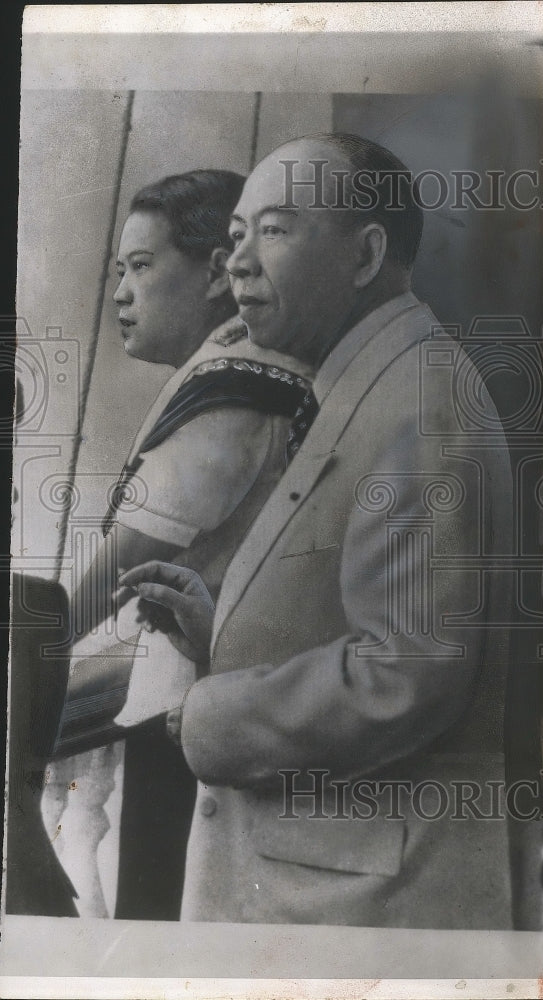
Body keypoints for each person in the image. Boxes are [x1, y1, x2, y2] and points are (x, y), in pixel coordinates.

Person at [121, 133, 515, 929]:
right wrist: (222, 632)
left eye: (272, 230)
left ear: (364, 254)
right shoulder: (366, 379)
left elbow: (405, 672)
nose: (237, 263)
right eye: (236, 235)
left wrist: (211, 713)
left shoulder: (418, 402)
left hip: (352, 910)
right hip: (328, 891)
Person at [60, 169, 315, 920]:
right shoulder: (238, 370)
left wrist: (29, 649)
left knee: (161, 938)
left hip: (204, 729)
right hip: (211, 708)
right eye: (119, 271)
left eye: (141, 267)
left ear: (214, 273)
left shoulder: (235, 389)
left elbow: (111, 577)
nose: (120, 294)